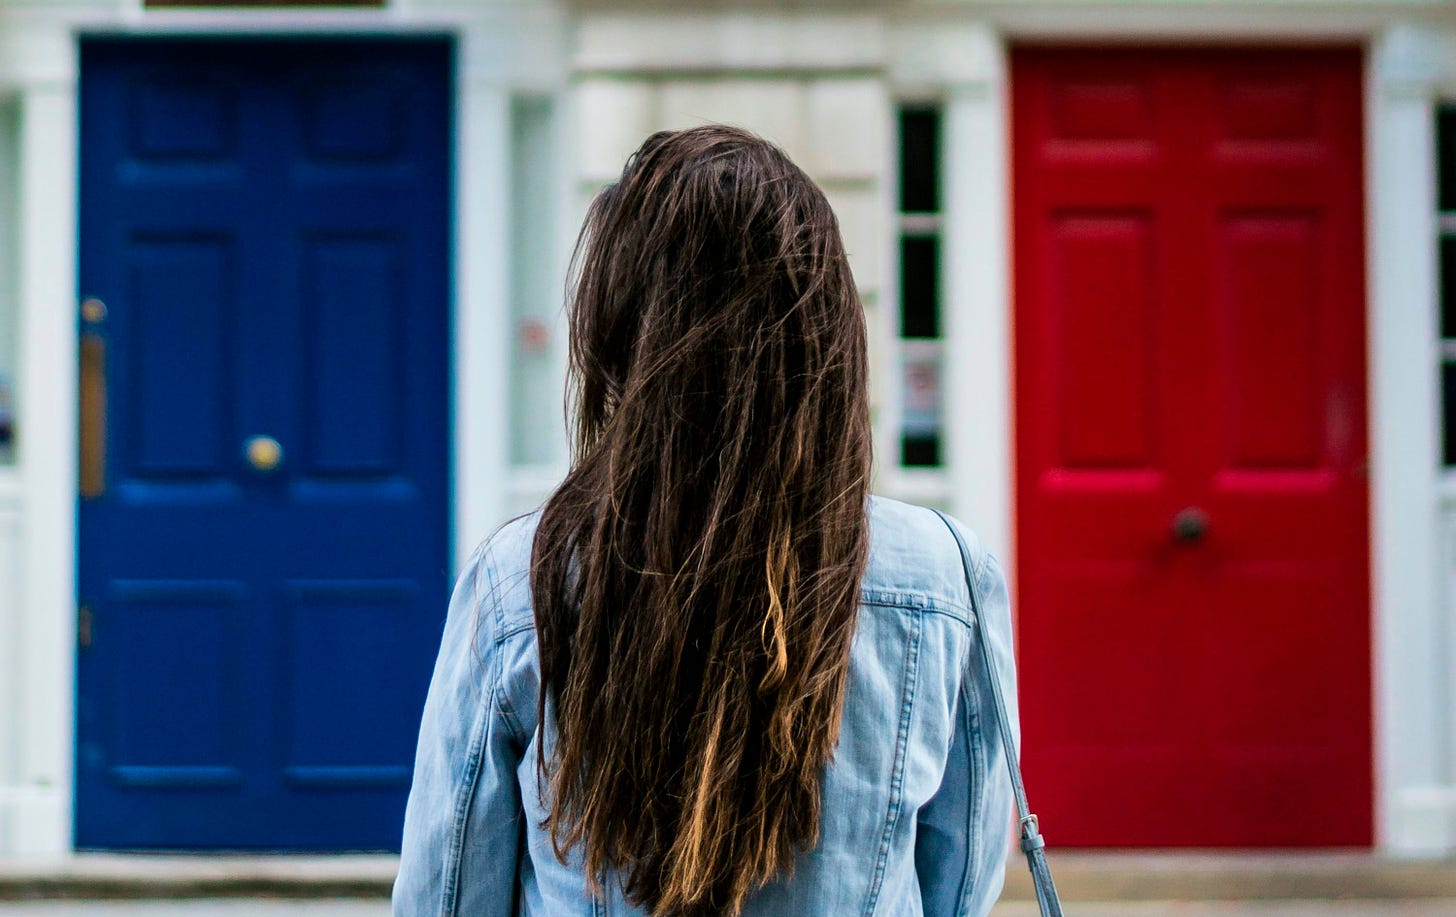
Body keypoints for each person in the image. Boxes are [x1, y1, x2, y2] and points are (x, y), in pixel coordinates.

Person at [394, 125, 1018, 917]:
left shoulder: (521, 578)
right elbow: (960, 887)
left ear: (622, 335)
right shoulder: (946, 574)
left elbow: (445, 896)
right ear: (827, 331)